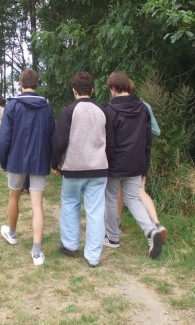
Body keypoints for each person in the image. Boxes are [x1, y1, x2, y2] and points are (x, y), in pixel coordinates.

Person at [51, 72, 111, 268]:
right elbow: (110, 142)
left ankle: (69, 245)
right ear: (92, 89)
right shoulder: (103, 111)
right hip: (99, 168)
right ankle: (93, 256)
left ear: (74, 90)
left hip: (73, 168)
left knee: (70, 203)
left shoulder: (68, 111)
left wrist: (55, 163)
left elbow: (59, 141)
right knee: (95, 211)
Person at [0, 69, 55, 266]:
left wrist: (3, 161)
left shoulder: (12, 106)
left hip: (16, 160)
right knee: (37, 204)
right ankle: (37, 251)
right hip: (39, 160)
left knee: (13, 197)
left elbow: (4, 137)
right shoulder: (46, 107)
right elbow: (51, 135)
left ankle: (12, 233)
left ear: (20, 83)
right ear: (37, 84)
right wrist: (51, 159)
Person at [103, 70, 162, 259]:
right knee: (132, 199)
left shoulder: (109, 111)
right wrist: (145, 164)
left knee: (111, 198)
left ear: (113, 88)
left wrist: (106, 162)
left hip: (114, 164)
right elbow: (148, 139)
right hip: (137, 162)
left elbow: (108, 142)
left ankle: (112, 238)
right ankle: (151, 231)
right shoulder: (143, 108)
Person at [114, 79, 167, 244]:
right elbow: (156, 131)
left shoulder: (117, 107)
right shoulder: (145, 106)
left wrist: (136, 136)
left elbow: (154, 131)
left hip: (126, 157)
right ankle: (156, 224)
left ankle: (117, 226)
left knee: (128, 194)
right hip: (140, 158)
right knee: (136, 193)